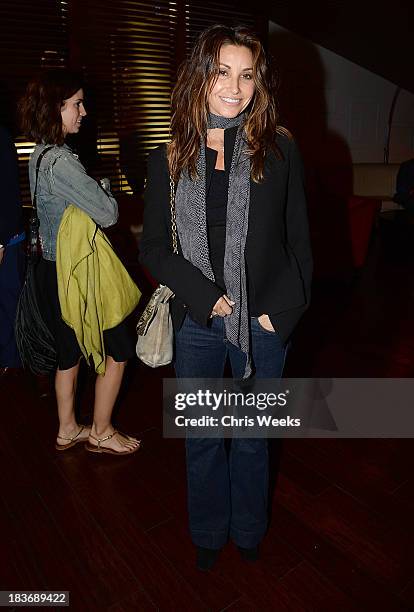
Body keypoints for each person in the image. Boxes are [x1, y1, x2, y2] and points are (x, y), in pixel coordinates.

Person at [140, 25, 312, 568]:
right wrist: (207, 296)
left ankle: (249, 530)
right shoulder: (169, 155)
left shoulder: (279, 147)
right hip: (197, 320)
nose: (235, 88)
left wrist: (280, 316)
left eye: (247, 76)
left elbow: (299, 242)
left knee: (255, 437)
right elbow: (153, 249)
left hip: (262, 322)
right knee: (204, 438)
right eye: (222, 72)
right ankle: (209, 534)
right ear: (200, 76)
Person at [19, 70, 140, 455]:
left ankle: (68, 428)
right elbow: (107, 213)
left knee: (68, 353)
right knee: (119, 348)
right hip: (75, 273)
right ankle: (101, 432)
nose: (83, 112)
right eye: (76, 103)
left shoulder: (38, 153)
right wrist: (106, 194)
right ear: (55, 109)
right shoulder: (62, 162)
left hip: (49, 269)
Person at [0, 125, 25, 376]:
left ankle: (12, 364)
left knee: (9, 304)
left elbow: (7, 192)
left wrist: (1, 241)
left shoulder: (2, 137)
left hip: (8, 238)